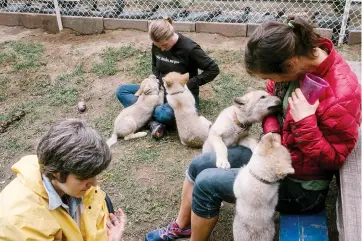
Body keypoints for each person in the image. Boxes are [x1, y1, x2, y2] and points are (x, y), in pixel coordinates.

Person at [145, 18, 361, 241]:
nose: (268, 82)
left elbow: (334, 160)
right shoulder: (292, 53)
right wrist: (273, 132)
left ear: (289, 65)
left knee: (207, 182)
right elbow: (271, 101)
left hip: (301, 186)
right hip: (272, 155)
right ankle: (182, 226)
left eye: (268, 76)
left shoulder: (342, 94)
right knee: (200, 163)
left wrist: (305, 123)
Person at [0, 119, 126, 241]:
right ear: (56, 172)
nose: (94, 184)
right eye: (84, 177)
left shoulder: (74, 185)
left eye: (95, 174)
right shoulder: (19, 223)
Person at [116, 17, 220, 139]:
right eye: (157, 46)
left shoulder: (190, 49)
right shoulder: (158, 45)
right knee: (122, 91)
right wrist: (156, 83)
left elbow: (213, 69)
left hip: (181, 93)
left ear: (171, 35)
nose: (162, 49)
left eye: (164, 45)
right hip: (160, 90)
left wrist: (187, 84)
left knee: (163, 114)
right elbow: (155, 67)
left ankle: (148, 118)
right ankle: (151, 119)